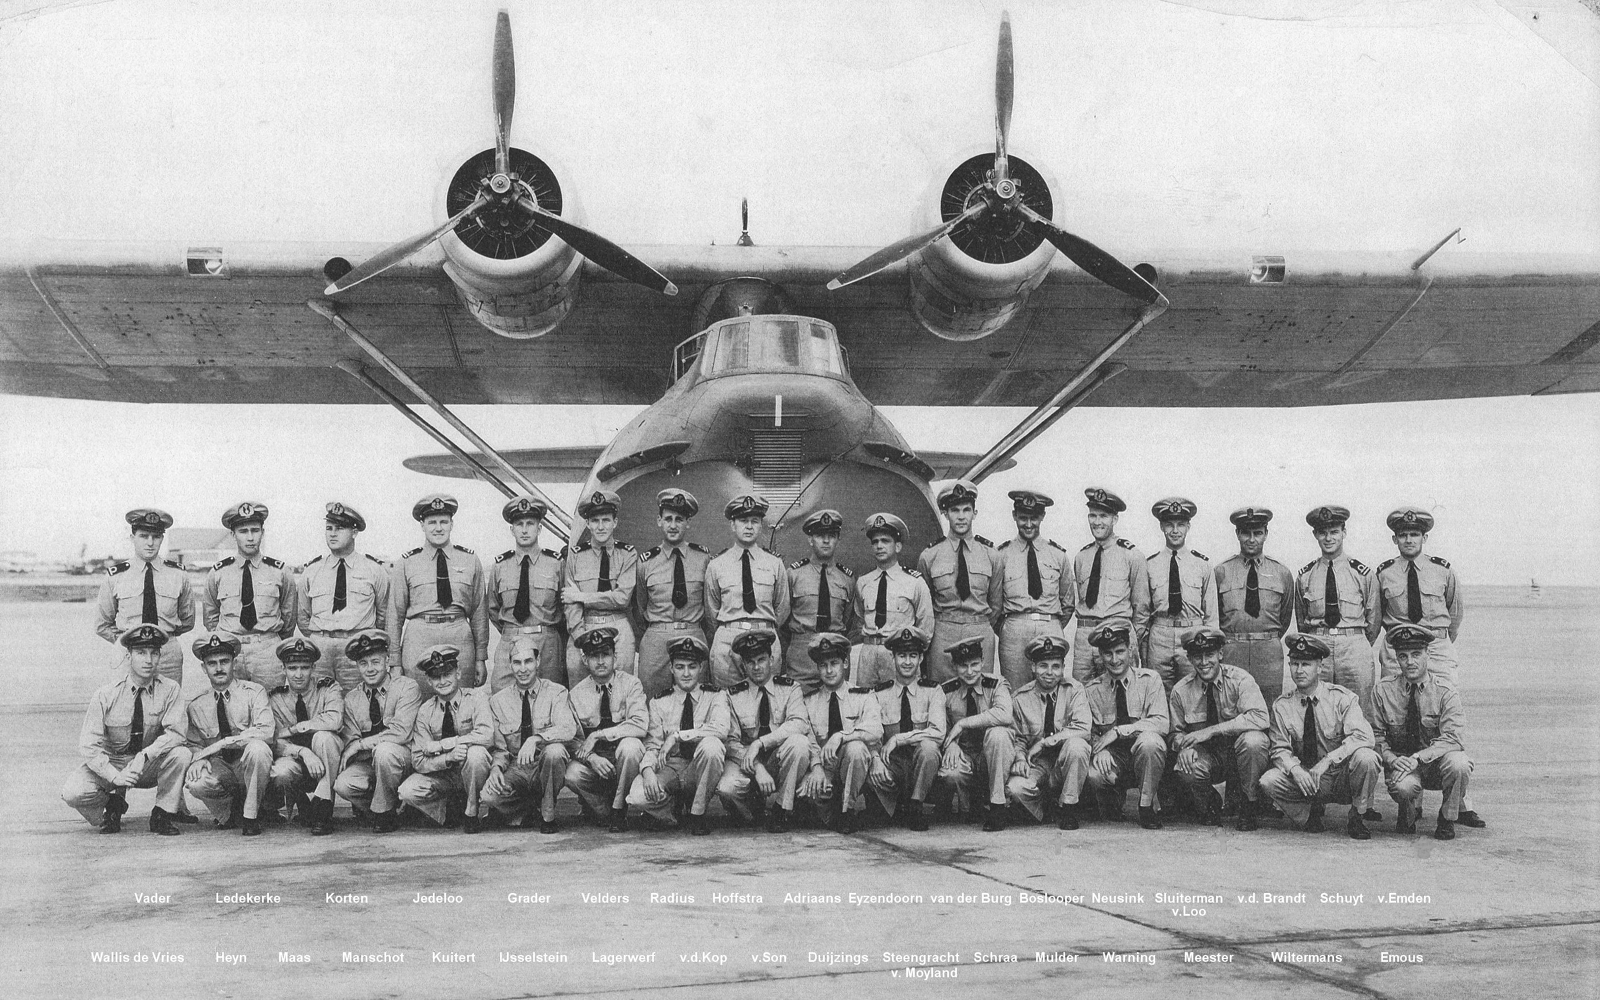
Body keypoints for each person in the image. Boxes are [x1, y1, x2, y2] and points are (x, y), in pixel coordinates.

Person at [61, 624, 193, 835]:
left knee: (181, 754)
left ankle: (162, 813)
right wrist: (114, 777)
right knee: (73, 792)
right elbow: (88, 745)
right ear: (128, 656)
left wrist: (145, 755)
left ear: (160, 656)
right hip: (113, 762)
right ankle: (112, 803)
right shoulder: (106, 695)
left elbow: (176, 734)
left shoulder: (170, 690)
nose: (148, 660)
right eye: (141, 653)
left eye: (154, 653)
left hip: (147, 764)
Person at [1259, 634, 1381, 840]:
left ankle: (1357, 815)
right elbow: (1279, 749)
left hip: (1340, 777)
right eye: (1295, 664)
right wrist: (1295, 769)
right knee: (1268, 781)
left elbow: (1364, 737)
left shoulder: (1342, 698)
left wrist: (1328, 760)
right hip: (1307, 779)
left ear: (1319, 667)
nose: (1299, 670)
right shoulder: (1282, 706)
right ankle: (1309, 816)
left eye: (1306, 664)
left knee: (1367, 758)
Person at [1370, 624, 1480, 840]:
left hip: (1435, 765)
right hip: (1402, 765)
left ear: (1428, 654)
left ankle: (1447, 817)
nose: (1410, 662)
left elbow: (1453, 738)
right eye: (1403, 656)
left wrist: (1419, 758)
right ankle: (1407, 812)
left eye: (1416, 654)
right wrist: (1392, 759)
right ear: (1397, 659)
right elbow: (1375, 735)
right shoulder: (1383, 691)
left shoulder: (1445, 692)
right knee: (1404, 788)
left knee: (1460, 763)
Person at [1166, 626, 1271, 831]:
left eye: (1210, 655)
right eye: (1197, 656)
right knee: (1186, 766)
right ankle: (1209, 802)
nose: (1204, 662)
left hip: (1239, 755)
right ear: (1189, 658)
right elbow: (1174, 732)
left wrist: (1212, 730)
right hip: (1208, 756)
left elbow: (1260, 717)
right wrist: (1183, 746)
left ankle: (1248, 804)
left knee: (1254, 741)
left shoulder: (1240, 680)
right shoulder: (1181, 691)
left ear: (1220, 654)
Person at [627, 636, 730, 835]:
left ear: (701, 668)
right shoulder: (659, 702)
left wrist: (677, 735)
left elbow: (721, 729)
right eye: (680, 667)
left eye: (692, 667)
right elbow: (653, 745)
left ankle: (697, 813)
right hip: (671, 767)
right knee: (638, 796)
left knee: (712, 746)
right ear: (671, 669)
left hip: (698, 767)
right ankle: (671, 810)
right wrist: (647, 770)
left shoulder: (716, 696)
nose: (686, 673)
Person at [391, 494, 490, 693]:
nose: (438, 528)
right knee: (416, 698)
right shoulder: (407, 563)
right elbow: (395, 615)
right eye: (432, 522)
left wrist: (480, 658)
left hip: (459, 635)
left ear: (452, 524)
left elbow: (479, 612)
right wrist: (394, 661)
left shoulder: (470, 560)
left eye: (444, 522)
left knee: (460, 699)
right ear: (422, 525)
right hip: (419, 636)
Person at [717, 630, 812, 832]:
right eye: (750, 662)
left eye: (761, 660)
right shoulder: (732, 695)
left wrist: (760, 743)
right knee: (726, 788)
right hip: (747, 762)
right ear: (743, 665)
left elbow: (799, 723)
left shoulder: (790, 688)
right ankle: (751, 813)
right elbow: (730, 741)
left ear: (772, 659)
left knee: (799, 743)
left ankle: (781, 808)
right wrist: (757, 767)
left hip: (779, 760)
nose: (757, 667)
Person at [183, 631, 274, 836]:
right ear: (204, 668)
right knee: (196, 782)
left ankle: (251, 816)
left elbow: (266, 731)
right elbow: (192, 743)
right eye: (212, 663)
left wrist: (225, 742)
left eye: (224, 661)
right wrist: (198, 758)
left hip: (249, 766)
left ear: (235, 663)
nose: (219, 668)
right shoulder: (197, 704)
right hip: (221, 766)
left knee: (258, 748)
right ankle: (228, 814)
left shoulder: (254, 692)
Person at [1294, 505, 1381, 715]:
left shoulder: (1362, 574)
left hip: (1353, 647)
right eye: (1322, 533)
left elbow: (1374, 620)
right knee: (1319, 709)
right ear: (1315, 535)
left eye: (1334, 532)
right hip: (1319, 645)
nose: (1328, 538)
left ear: (1344, 532)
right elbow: (1302, 620)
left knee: (1359, 708)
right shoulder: (1305, 576)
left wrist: (1354, 640)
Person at [482, 637, 576, 833]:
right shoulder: (498, 701)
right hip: (516, 768)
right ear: (510, 665)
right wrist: (496, 769)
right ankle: (528, 809)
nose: (523, 669)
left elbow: (568, 728)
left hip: (544, 766)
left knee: (555, 751)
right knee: (489, 796)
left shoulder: (556, 692)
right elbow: (500, 748)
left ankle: (547, 814)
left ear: (538, 661)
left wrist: (537, 739)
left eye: (528, 661)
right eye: (517, 662)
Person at [1081, 620, 1168, 830]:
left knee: (1150, 742)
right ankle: (1113, 798)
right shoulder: (1092, 690)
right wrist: (1099, 749)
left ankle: (1146, 806)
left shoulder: (1150, 680)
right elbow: (1087, 730)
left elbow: (1162, 723)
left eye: (1120, 651)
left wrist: (1119, 731)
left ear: (1130, 650)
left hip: (1143, 755)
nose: (1115, 660)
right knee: (1094, 774)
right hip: (1114, 758)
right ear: (1100, 655)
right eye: (1108, 654)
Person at [332, 630, 421, 833]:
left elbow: (401, 732)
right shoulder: (352, 698)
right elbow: (350, 741)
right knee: (343, 784)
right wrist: (357, 746)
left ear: (387, 660)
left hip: (404, 760)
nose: (370, 669)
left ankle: (385, 812)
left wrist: (362, 744)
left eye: (375, 662)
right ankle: (387, 809)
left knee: (385, 751)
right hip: (370, 763)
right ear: (357, 666)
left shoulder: (406, 687)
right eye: (363, 663)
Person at [296, 502, 391, 692]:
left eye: (339, 528)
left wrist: (360, 637)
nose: (332, 534)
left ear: (354, 532)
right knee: (319, 699)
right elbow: (302, 616)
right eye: (329, 528)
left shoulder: (374, 570)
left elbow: (383, 616)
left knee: (357, 700)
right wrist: (322, 637)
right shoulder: (312, 571)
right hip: (320, 648)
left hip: (357, 647)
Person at [399, 645, 494, 832]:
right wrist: (448, 757)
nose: (442, 681)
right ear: (429, 681)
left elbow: (487, 735)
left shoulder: (476, 698)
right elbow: (418, 760)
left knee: (476, 754)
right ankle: (448, 808)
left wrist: (447, 743)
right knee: (407, 791)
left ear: (458, 673)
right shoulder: (425, 711)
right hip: (443, 775)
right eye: (436, 677)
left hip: (471, 772)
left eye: (447, 674)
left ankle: (471, 811)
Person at [203, 502, 297, 691]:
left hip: (267, 652)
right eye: (243, 531)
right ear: (233, 535)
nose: (250, 537)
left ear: (263, 532)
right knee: (231, 704)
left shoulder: (279, 571)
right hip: (231, 651)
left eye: (255, 530)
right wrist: (225, 640)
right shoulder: (218, 573)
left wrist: (271, 640)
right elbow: (210, 616)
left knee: (271, 703)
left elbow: (289, 616)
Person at [565, 625, 650, 832]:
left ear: (615, 657)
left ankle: (618, 810)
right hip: (597, 764)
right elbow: (572, 739)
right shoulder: (576, 694)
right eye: (594, 656)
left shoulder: (631, 685)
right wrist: (591, 758)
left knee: (631, 747)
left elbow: (640, 723)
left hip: (624, 764)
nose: (601, 661)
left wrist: (598, 734)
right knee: (571, 773)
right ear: (585, 660)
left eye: (606, 654)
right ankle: (602, 809)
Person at [917, 481, 1003, 685]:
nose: (961, 516)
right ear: (945, 514)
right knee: (941, 693)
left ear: (975, 513)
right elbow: (926, 605)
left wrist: (977, 624)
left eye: (967, 510)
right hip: (943, 633)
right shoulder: (930, 555)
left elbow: (996, 604)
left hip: (979, 631)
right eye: (955, 510)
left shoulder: (991, 554)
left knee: (980, 692)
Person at [95, 508, 194, 683]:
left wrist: (164, 636)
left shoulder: (178, 575)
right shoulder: (116, 576)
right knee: (126, 699)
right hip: (128, 654)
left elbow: (187, 621)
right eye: (143, 536)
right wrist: (129, 641)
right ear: (132, 538)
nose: (150, 542)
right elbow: (102, 624)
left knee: (169, 698)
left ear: (162, 539)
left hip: (167, 655)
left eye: (156, 537)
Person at [797, 633, 882, 833]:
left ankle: (847, 810)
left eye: (834, 663)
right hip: (823, 766)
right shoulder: (808, 701)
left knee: (856, 748)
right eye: (823, 665)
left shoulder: (863, 696)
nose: (829, 670)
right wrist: (817, 769)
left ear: (845, 663)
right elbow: (808, 738)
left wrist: (841, 736)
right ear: (817, 668)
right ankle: (825, 807)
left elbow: (875, 729)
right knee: (806, 794)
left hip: (853, 766)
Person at [1005, 634, 1092, 830]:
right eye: (1043, 666)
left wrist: (1046, 742)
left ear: (1063, 668)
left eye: (1056, 666)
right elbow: (1017, 738)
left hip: (1066, 761)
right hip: (1037, 764)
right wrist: (1020, 758)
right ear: (1033, 667)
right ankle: (1045, 808)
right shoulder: (1020, 698)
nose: (1050, 672)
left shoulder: (1074, 690)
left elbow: (1083, 728)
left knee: (1077, 746)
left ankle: (1068, 808)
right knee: (1015, 789)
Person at [705, 494, 791, 689]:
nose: (749, 526)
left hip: (765, 641)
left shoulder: (775, 564)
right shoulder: (717, 565)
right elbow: (711, 612)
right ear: (732, 525)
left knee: (766, 699)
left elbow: (782, 608)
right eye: (743, 521)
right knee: (727, 700)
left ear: (761, 525)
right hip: (727, 643)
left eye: (755, 521)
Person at [634, 489, 712, 698]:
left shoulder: (703, 559)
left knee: (696, 700)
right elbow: (639, 606)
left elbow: (710, 605)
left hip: (693, 633)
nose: (673, 525)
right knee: (652, 698)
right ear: (659, 521)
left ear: (688, 523)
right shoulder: (646, 562)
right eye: (668, 519)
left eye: (679, 519)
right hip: (657, 639)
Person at [867, 626, 946, 831]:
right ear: (893, 657)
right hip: (892, 764)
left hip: (922, 764)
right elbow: (871, 733)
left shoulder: (933, 691)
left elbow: (938, 732)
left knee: (929, 748)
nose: (907, 662)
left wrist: (899, 739)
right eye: (902, 655)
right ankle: (888, 806)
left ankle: (915, 806)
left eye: (913, 655)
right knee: (868, 765)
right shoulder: (879, 694)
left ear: (921, 658)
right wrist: (875, 758)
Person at [1215, 506, 1295, 705]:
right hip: (1232, 650)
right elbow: (1215, 616)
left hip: (1268, 653)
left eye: (1257, 533)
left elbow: (1285, 617)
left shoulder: (1281, 573)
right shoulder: (1222, 572)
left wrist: (1266, 638)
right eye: (1246, 533)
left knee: (1269, 707)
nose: (1251, 539)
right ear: (1237, 534)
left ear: (1266, 534)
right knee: (1231, 706)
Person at [1375, 507, 1464, 686]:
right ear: (1394, 539)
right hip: (1398, 651)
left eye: (1414, 534)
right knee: (1394, 700)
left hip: (1436, 650)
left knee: (1443, 698)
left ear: (1424, 538)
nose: (1409, 540)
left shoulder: (1443, 571)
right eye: (1403, 535)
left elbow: (1455, 614)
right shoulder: (1384, 574)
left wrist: (1438, 637)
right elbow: (1377, 617)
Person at [994, 490, 1072, 691]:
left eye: (1034, 518)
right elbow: (994, 603)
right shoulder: (1001, 555)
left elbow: (1068, 602)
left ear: (1042, 516)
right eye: (1023, 518)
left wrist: (1052, 623)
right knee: (1015, 691)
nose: (1028, 524)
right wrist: (1009, 627)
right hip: (1014, 631)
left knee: (1051, 688)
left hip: (1049, 625)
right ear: (1014, 516)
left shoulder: (1058, 555)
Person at [487, 496, 567, 692]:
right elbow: (493, 608)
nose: (524, 530)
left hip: (547, 642)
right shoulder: (500, 566)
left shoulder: (556, 564)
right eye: (519, 524)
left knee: (551, 696)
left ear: (539, 528)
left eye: (530, 524)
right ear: (512, 529)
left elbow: (565, 607)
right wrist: (513, 631)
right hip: (511, 640)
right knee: (501, 694)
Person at [1070, 489, 1150, 683]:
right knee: (1081, 692)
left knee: (1121, 692)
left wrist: (1128, 639)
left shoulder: (1132, 556)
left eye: (1103, 516)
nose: (1097, 522)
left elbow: (1142, 607)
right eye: (1093, 515)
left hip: (1116, 636)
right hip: (1084, 638)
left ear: (1115, 519)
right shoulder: (1081, 557)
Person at [265, 637, 343, 835]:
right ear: (283, 669)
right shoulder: (275, 698)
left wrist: (296, 728)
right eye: (292, 668)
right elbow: (274, 740)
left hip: (326, 757)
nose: (298, 674)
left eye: (304, 668)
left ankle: (323, 808)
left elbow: (334, 720)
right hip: (296, 758)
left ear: (313, 668)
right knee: (281, 772)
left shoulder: (328, 688)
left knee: (324, 737)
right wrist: (303, 753)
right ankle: (302, 801)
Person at [938, 636, 1016, 832]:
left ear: (982, 662)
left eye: (974, 664)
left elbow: (1005, 714)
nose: (970, 671)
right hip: (965, 754)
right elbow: (941, 727)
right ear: (954, 666)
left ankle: (997, 806)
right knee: (951, 773)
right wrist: (951, 744)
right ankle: (969, 806)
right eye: (963, 666)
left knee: (998, 734)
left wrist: (963, 723)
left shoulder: (996, 684)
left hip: (992, 757)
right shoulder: (946, 691)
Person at [562, 489, 639, 685]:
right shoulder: (575, 556)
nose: (601, 526)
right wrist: (580, 638)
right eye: (595, 521)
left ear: (615, 522)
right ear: (588, 524)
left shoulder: (627, 554)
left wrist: (582, 597)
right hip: (583, 627)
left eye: (606, 520)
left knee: (621, 690)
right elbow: (570, 603)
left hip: (619, 630)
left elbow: (622, 598)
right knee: (580, 691)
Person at [1140, 498, 1218, 689]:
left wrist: (1209, 648)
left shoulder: (1202, 565)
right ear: (1161, 527)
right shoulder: (1149, 565)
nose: (1175, 530)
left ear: (1188, 527)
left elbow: (1211, 615)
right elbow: (1142, 611)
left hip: (1192, 634)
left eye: (1181, 524)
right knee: (1157, 692)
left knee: (1195, 692)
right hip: (1159, 637)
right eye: (1169, 525)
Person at [852, 513, 934, 688]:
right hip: (868, 655)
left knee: (901, 701)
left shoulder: (914, 582)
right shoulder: (863, 582)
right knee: (865, 701)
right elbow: (859, 620)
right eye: (875, 542)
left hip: (899, 654)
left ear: (897, 546)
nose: (879, 546)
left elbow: (926, 627)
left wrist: (909, 655)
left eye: (885, 541)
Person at [783, 509, 856, 693]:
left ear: (838, 539)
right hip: (801, 661)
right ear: (810, 539)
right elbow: (782, 620)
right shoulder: (794, 574)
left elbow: (848, 622)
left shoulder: (847, 579)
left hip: (834, 658)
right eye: (820, 536)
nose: (826, 541)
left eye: (831, 536)